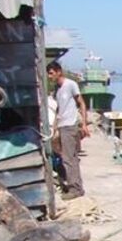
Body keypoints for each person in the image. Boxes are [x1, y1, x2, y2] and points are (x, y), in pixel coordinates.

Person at [46, 61, 90, 200]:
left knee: (69, 158)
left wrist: (84, 124)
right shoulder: (57, 89)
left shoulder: (70, 85)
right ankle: (74, 185)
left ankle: (75, 188)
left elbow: (81, 103)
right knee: (66, 157)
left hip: (70, 126)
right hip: (61, 125)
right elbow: (59, 108)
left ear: (59, 71)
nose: (49, 76)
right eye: (48, 73)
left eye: (51, 73)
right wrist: (54, 125)